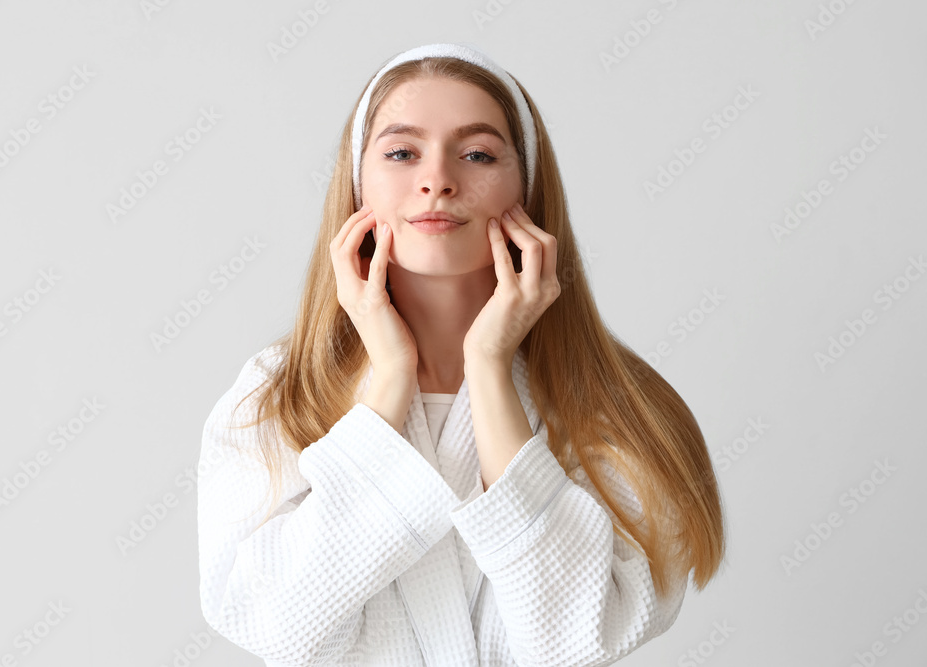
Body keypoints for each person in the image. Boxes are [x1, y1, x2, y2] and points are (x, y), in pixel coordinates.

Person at [197, 42, 726, 666]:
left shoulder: (617, 405)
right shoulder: (276, 394)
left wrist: (491, 368)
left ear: (527, 188)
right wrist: (391, 381)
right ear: (356, 184)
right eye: (401, 152)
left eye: (477, 154)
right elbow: (276, 627)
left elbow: (573, 644)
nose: (438, 180)